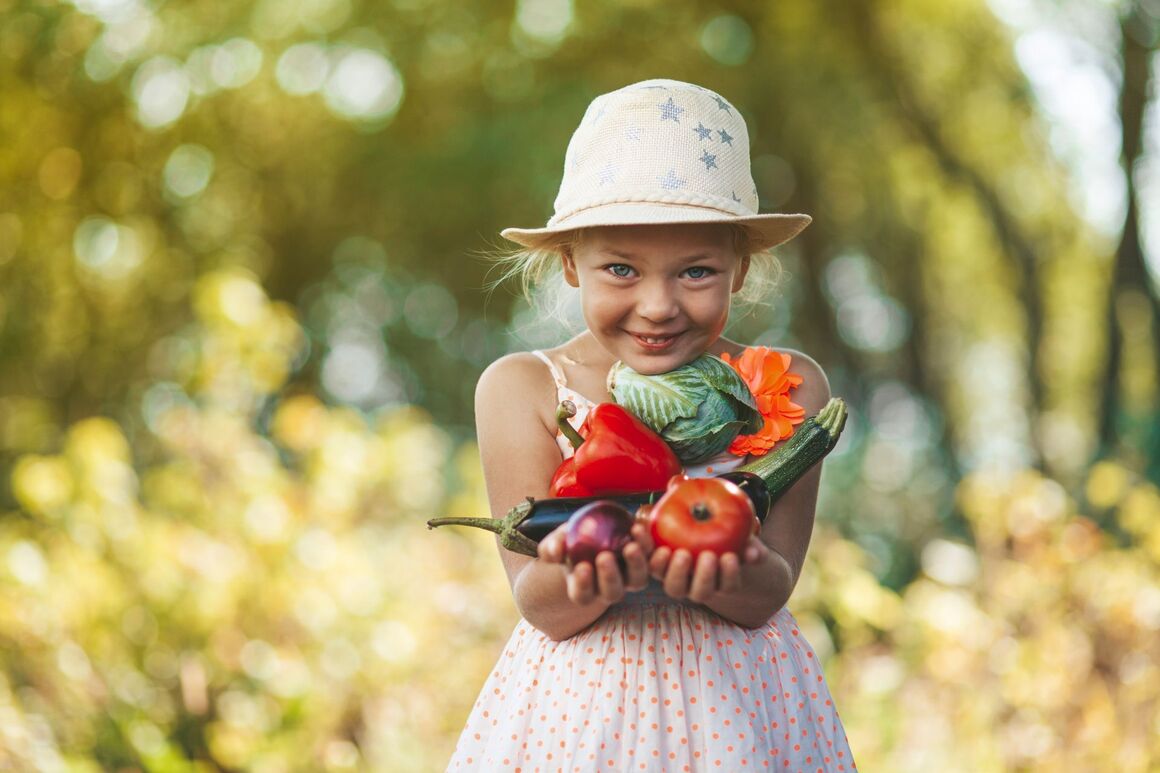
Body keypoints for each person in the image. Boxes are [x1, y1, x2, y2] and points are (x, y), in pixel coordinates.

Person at [449, 79, 855, 771]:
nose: (658, 304)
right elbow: (539, 604)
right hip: (582, 713)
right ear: (570, 262)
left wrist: (730, 564)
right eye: (621, 269)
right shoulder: (521, 389)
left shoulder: (787, 388)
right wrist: (597, 574)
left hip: (741, 705)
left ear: (741, 267)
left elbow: (768, 593)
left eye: (695, 271)